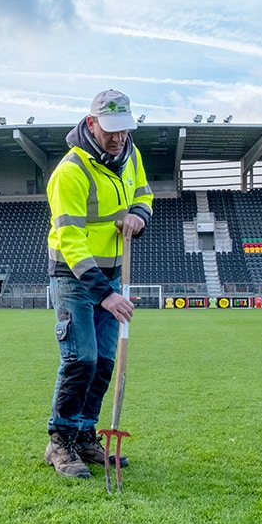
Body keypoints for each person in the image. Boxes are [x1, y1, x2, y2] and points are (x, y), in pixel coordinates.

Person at [44, 89, 154, 478]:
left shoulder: (131, 155)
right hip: (75, 277)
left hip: (112, 272)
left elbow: (144, 193)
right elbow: (71, 240)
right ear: (91, 123)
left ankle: (86, 433)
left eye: (125, 129)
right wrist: (104, 294)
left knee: (105, 362)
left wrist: (139, 215)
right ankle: (60, 441)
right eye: (111, 130)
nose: (119, 138)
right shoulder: (71, 172)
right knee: (81, 360)